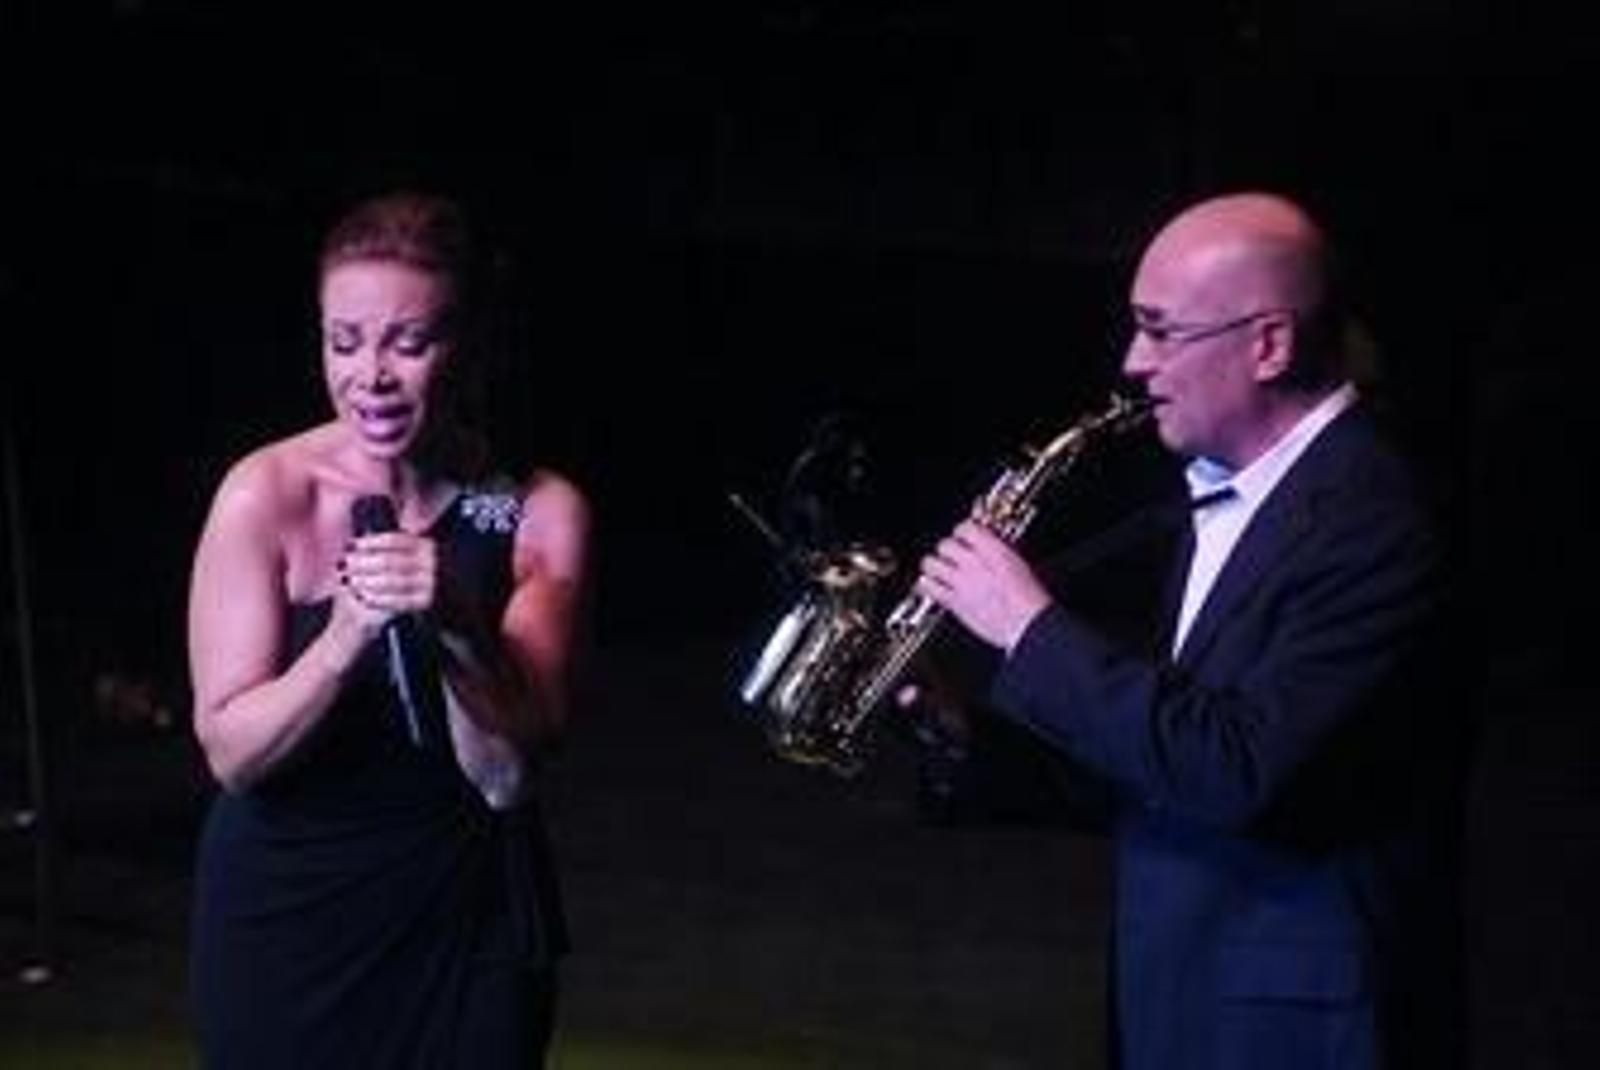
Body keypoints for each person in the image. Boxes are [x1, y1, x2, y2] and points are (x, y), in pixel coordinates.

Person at [909, 190, 1474, 1069]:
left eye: (1161, 331)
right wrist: (964, 740)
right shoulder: (1236, 494)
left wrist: (1029, 627)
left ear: (1270, 343)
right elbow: (1168, 769)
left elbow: (1238, 770)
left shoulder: (1376, 519)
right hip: (1189, 1001)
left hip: (1299, 1031)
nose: (1133, 362)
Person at [186, 189, 590, 1068]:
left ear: (467, 344)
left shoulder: (531, 509)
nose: (369, 374)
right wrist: (342, 638)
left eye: (407, 343)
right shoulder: (265, 494)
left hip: (465, 913)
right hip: (288, 914)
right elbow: (231, 756)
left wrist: (456, 626)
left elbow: (507, 780)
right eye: (344, 341)